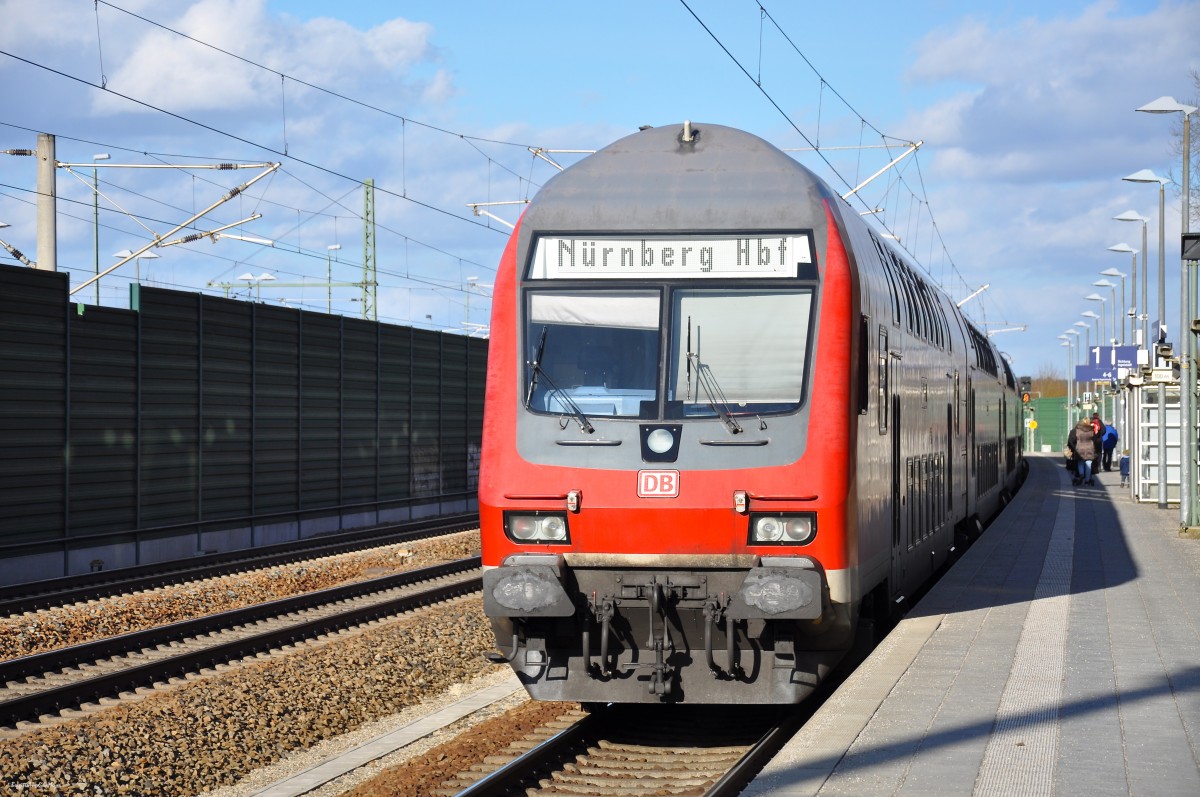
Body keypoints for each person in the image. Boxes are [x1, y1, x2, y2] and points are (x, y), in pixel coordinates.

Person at [1068, 417, 1097, 486]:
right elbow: (1095, 439)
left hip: (1080, 448)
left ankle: (1081, 475)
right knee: (1088, 464)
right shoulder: (1092, 430)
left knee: (1080, 463)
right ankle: (1087, 480)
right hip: (1090, 448)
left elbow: (1073, 440)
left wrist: (1074, 447)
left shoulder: (1078, 430)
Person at [1090, 414, 1104, 479]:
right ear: (1098, 416)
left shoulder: (1091, 422)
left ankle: (1093, 466)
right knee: (1099, 453)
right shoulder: (1100, 422)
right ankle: (1098, 465)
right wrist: (1100, 435)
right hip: (1099, 440)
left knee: (1093, 453)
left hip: (1092, 440)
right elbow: (1104, 431)